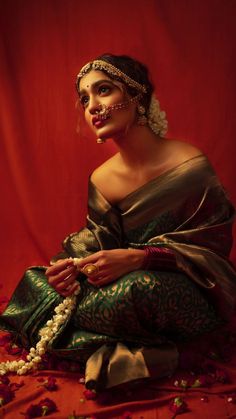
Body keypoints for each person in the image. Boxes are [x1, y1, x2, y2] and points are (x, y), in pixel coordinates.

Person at [1, 54, 236, 390]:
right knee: (33, 282)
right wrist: (69, 267)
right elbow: (98, 240)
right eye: (85, 98)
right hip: (119, 291)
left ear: (137, 95)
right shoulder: (103, 178)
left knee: (138, 290)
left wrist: (142, 257)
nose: (92, 106)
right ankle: (148, 355)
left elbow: (212, 247)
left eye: (104, 90)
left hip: (181, 287)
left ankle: (95, 343)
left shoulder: (189, 164)